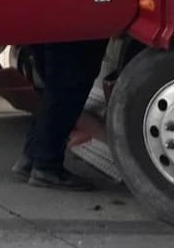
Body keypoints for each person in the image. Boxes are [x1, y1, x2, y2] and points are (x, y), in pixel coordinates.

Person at [13, 39, 108, 190]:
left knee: (56, 85)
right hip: (77, 26)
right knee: (69, 82)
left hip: (52, 25)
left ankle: (32, 157)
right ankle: (45, 166)